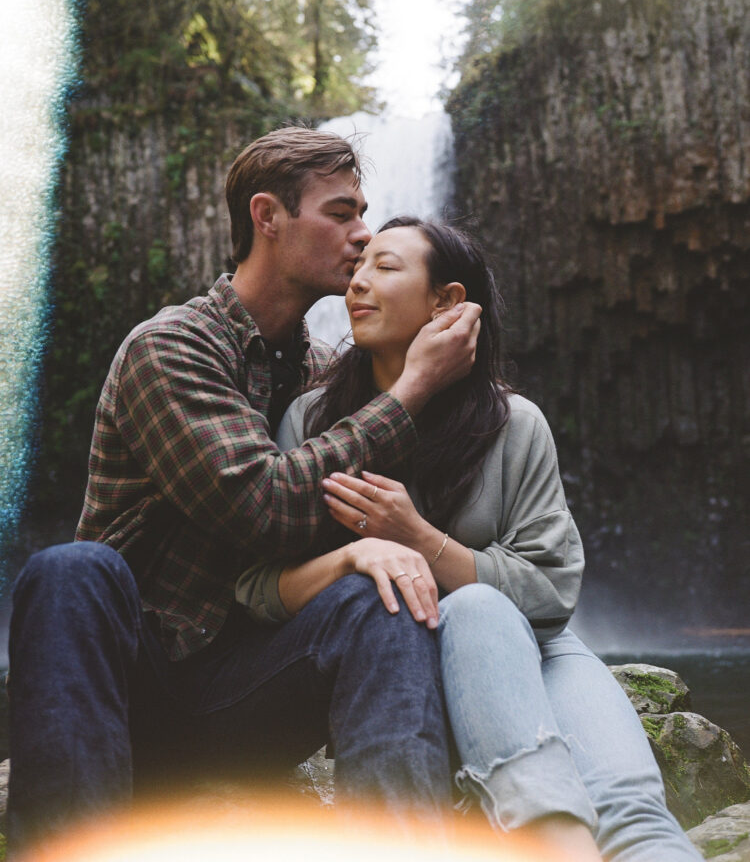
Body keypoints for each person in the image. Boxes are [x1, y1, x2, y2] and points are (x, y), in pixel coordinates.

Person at [6, 130, 483, 855]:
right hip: (133, 692)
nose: (362, 237)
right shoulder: (170, 348)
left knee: (384, 593)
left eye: (365, 215)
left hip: (258, 689)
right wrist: (415, 386)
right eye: (340, 213)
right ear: (268, 216)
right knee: (72, 570)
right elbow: (263, 507)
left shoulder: (331, 379)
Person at [236, 216, 702, 862]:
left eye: (386, 268)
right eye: (359, 265)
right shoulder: (314, 422)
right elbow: (255, 588)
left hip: (539, 657)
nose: (357, 284)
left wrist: (418, 537)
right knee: (477, 604)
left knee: (633, 813)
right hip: (398, 680)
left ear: (447, 302)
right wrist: (354, 554)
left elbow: (551, 592)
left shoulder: (514, 424)